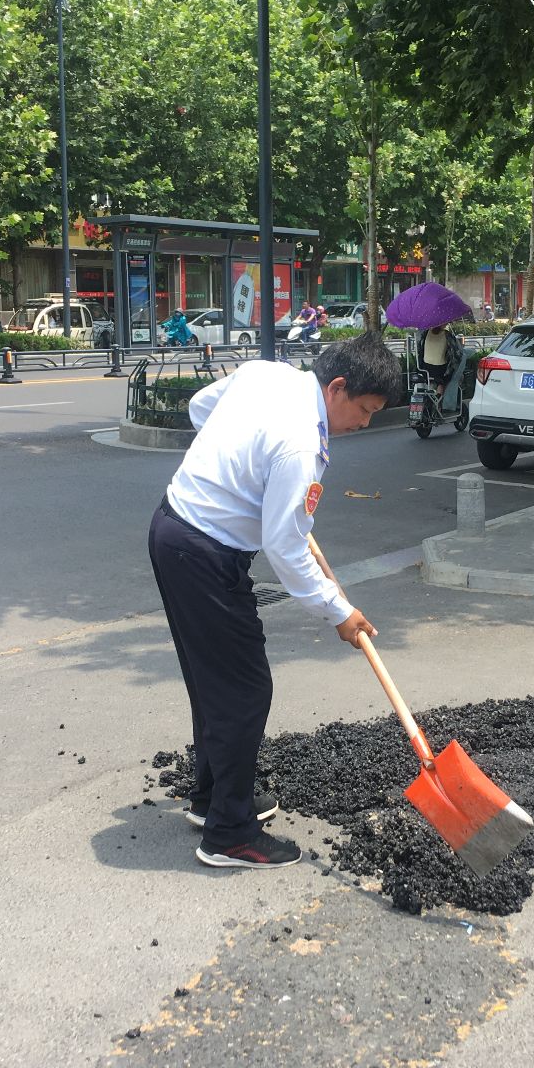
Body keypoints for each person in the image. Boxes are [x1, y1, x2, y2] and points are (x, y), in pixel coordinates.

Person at [149, 333, 402, 870]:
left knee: (214, 681)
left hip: (172, 528)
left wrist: (242, 465)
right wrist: (339, 612)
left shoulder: (268, 373)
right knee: (244, 690)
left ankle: (212, 798)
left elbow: (201, 408)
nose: (364, 424)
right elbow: (285, 547)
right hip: (204, 552)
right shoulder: (301, 446)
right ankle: (229, 835)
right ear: (337, 387)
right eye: (364, 409)